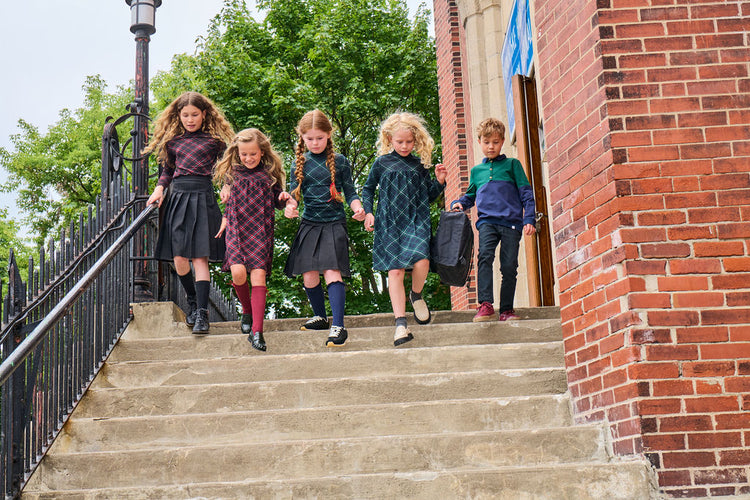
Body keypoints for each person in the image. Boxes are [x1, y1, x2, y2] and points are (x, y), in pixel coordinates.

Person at [145, 91, 234, 334]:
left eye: (194, 114)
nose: (190, 119)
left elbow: (227, 168)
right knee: (179, 258)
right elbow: (167, 171)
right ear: (179, 115)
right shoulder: (173, 142)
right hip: (178, 198)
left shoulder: (215, 142)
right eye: (185, 115)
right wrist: (159, 189)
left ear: (204, 114)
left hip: (203, 196)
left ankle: (203, 313)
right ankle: (193, 301)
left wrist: (227, 184)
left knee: (200, 258)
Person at [361, 112, 447, 346]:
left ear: (415, 140)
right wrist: (368, 212)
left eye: (409, 141)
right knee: (395, 272)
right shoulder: (381, 163)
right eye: (400, 141)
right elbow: (368, 189)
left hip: (416, 220)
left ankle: (416, 295)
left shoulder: (419, 165)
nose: (405, 146)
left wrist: (439, 182)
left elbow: (429, 196)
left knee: (422, 261)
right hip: (389, 223)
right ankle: (400, 323)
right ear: (390, 139)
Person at [283, 109, 366, 347]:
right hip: (309, 223)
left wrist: (358, 208)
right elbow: (293, 196)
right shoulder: (299, 163)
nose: (315, 143)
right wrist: (290, 207)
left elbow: (350, 192)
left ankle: (338, 326)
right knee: (308, 273)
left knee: (331, 270)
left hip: (334, 223)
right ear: (302, 137)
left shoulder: (340, 162)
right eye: (309, 139)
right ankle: (320, 317)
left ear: (329, 134)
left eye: (319, 137)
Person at [451, 117, 536, 322]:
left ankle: (506, 310)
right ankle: (486, 305)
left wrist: (529, 219)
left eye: (496, 142)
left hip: (511, 223)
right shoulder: (476, 172)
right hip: (487, 222)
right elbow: (470, 196)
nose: (491, 146)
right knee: (485, 257)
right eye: (487, 142)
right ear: (479, 142)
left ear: (503, 141)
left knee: (509, 266)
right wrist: (459, 203)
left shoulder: (512, 165)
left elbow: (526, 194)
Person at [216, 129, 288, 351]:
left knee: (258, 277)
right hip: (237, 229)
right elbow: (229, 200)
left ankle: (257, 332)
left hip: (260, 230)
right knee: (238, 273)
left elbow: (278, 201)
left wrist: (285, 198)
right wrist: (224, 211)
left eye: (253, 154)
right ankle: (246, 311)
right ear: (238, 153)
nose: (248, 158)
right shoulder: (233, 174)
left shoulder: (269, 175)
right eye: (244, 154)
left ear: (262, 152)